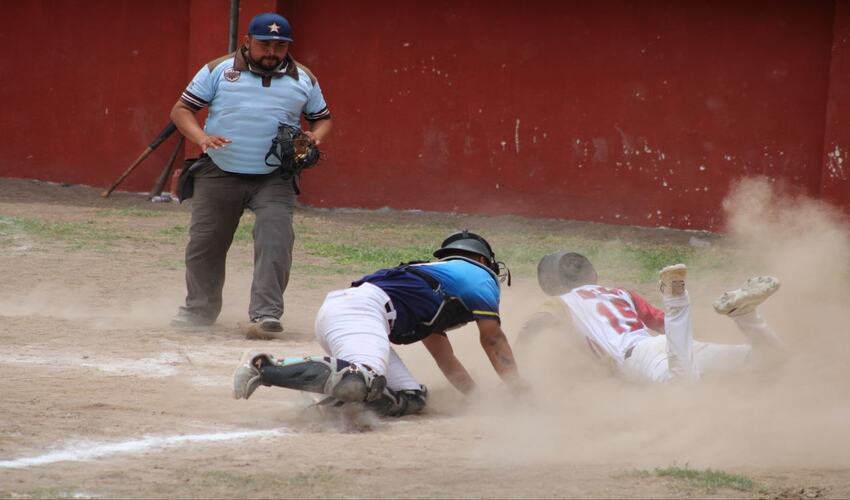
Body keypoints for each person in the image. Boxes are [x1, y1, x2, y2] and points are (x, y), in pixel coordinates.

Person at [232, 231, 525, 417]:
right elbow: (493, 340)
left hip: (353, 314)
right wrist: (520, 390)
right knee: (364, 379)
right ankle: (263, 366)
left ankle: (327, 409)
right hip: (360, 312)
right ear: (480, 259)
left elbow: (444, 358)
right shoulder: (478, 275)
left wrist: (478, 400)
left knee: (411, 398)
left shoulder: (438, 284)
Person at [169, 12, 333, 336]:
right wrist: (202, 138)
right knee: (206, 243)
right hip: (219, 170)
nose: (272, 52)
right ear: (247, 41)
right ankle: (198, 310)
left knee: (276, 240)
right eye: (264, 44)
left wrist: (315, 136)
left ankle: (265, 315)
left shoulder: (304, 78)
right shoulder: (218, 70)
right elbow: (181, 110)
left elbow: (323, 117)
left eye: (280, 46)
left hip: (275, 175)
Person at [519, 251, 785, 383]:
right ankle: (746, 315)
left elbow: (533, 327)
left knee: (682, 389)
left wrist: (516, 371)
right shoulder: (619, 293)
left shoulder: (561, 302)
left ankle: (677, 299)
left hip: (639, 358)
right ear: (592, 274)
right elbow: (662, 323)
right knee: (772, 359)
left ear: (551, 285)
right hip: (666, 344)